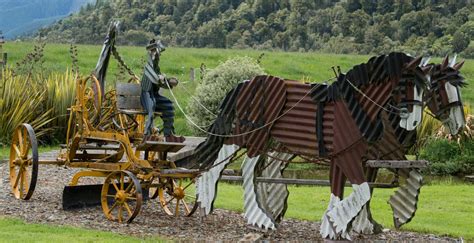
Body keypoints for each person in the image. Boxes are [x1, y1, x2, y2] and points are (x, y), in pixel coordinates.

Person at [140, 39, 180, 141]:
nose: (158, 56)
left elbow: (161, 80)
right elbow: (154, 78)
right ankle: (147, 134)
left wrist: (170, 81)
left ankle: (168, 134)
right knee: (151, 107)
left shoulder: (156, 68)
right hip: (147, 96)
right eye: (156, 53)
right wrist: (160, 79)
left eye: (158, 54)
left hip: (155, 96)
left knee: (169, 105)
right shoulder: (148, 68)